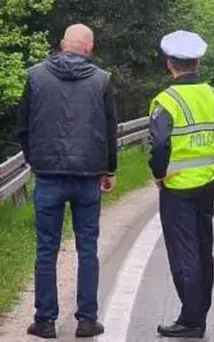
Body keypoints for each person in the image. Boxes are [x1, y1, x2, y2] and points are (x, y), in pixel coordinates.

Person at [15, 24, 118, 339]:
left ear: (62, 44)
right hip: (88, 176)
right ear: (90, 47)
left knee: (46, 248)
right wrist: (109, 170)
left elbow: (22, 127)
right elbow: (110, 129)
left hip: (48, 176)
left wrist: (35, 160)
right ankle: (87, 320)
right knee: (88, 247)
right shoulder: (102, 80)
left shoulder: (35, 76)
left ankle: (44, 320)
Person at [147, 30, 214, 338]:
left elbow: (160, 143)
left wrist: (158, 172)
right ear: (198, 63)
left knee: (183, 252)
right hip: (208, 183)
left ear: (169, 64)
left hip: (177, 187)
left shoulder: (166, 100)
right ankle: (199, 313)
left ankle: (190, 321)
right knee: (204, 249)